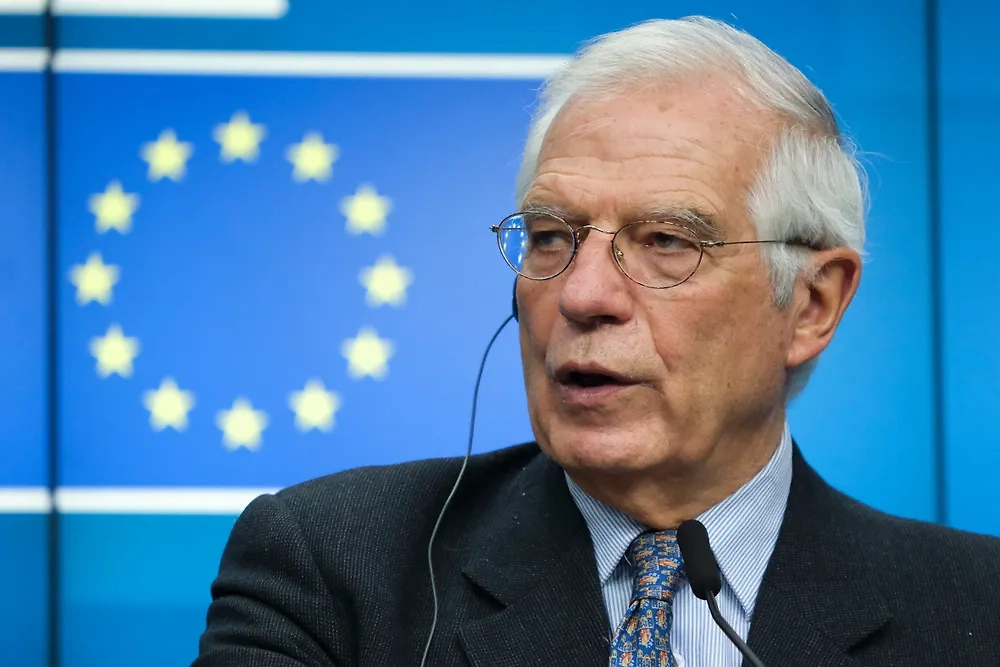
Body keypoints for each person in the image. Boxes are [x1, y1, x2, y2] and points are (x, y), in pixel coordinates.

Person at [192, 16, 1000, 667]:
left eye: (667, 241)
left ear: (812, 305)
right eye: (551, 236)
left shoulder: (977, 608)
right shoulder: (334, 568)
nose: (582, 295)